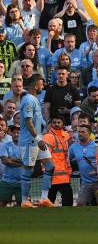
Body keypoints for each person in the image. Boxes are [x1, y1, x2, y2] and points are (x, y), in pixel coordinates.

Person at [17, 77, 56, 208]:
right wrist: (39, 139)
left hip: (38, 139)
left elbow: (37, 119)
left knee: (50, 166)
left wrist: (47, 126)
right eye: (41, 84)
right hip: (29, 141)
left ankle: (44, 199)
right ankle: (24, 201)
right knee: (28, 169)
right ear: (35, 86)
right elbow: (28, 122)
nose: (43, 86)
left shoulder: (34, 100)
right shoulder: (28, 100)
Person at [68, 124, 98, 206]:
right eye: (79, 132)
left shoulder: (96, 146)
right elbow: (67, 159)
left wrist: (97, 170)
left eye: (83, 132)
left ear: (89, 134)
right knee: (80, 204)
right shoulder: (73, 147)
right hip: (86, 183)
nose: (80, 134)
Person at [0, 124, 22, 207]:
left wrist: (11, 159)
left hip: (22, 182)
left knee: (22, 204)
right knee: (2, 203)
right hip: (7, 181)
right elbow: (5, 161)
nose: (16, 134)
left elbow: (28, 162)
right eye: (14, 132)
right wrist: (20, 162)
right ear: (11, 134)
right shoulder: (5, 145)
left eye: (18, 132)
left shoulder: (26, 146)